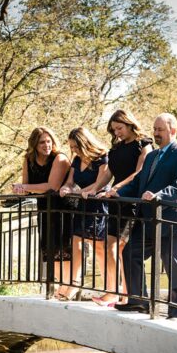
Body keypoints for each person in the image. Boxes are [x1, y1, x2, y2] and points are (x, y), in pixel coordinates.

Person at [105, 113, 177, 320]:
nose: (155, 133)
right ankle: (139, 302)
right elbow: (138, 184)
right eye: (154, 129)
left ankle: (176, 312)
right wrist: (118, 192)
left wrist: (158, 196)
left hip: (171, 220)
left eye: (160, 130)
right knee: (129, 252)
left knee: (173, 265)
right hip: (147, 220)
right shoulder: (152, 156)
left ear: (172, 130)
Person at [86, 109, 152, 307]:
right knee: (109, 246)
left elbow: (140, 173)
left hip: (132, 203)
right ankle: (113, 291)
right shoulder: (115, 149)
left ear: (129, 124)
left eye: (119, 128)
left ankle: (127, 294)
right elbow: (108, 174)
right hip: (116, 204)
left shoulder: (144, 145)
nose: (117, 133)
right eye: (114, 130)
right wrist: (96, 189)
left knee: (124, 249)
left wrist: (118, 188)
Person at [54, 127, 113, 301]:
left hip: (98, 206)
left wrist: (79, 192)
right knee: (76, 241)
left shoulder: (102, 157)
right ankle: (74, 282)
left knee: (100, 248)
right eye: (71, 147)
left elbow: (100, 183)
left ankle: (110, 289)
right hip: (82, 206)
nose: (73, 150)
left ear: (84, 143)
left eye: (75, 146)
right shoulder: (76, 160)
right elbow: (71, 182)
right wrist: (66, 187)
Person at [11, 126, 71, 279]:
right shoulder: (28, 159)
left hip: (64, 209)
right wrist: (19, 189)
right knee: (51, 250)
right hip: (44, 210)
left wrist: (26, 187)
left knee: (65, 250)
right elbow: (27, 186)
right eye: (42, 143)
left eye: (49, 141)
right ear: (34, 145)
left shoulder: (60, 158)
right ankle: (60, 286)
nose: (46, 145)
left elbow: (52, 187)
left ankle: (69, 286)